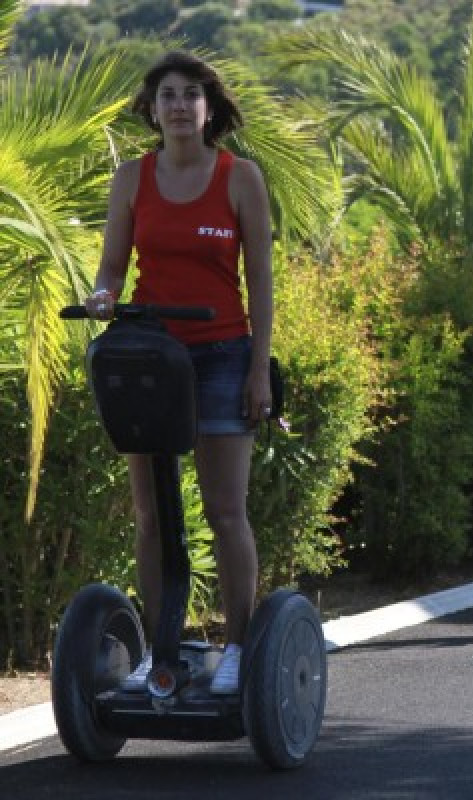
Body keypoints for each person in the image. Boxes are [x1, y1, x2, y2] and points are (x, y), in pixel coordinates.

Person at [83, 51, 274, 695]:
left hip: (224, 355)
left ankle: (242, 650)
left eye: (191, 94)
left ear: (210, 107)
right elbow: (112, 267)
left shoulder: (241, 178)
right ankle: (158, 651)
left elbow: (262, 286)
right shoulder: (132, 179)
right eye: (167, 94)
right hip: (151, 359)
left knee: (225, 511)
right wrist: (104, 295)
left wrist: (258, 372)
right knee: (151, 516)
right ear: (153, 108)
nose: (179, 105)